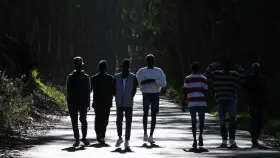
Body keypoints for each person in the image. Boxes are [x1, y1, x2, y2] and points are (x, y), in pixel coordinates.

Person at [136, 54, 167, 143]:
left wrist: (154, 81)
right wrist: (144, 82)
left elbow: (164, 84)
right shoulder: (141, 71)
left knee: (153, 115)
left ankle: (151, 135)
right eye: (149, 61)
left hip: (155, 94)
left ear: (154, 61)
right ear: (146, 61)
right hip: (146, 94)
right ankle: (145, 133)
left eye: (152, 61)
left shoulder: (159, 71)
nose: (150, 62)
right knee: (145, 113)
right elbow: (137, 82)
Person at [210, 58, 240, 148]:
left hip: (230, 99)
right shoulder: (217, 74)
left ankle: (231, 140)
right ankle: (224, 140)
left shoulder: (234, 74)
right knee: (222, 120)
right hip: (221, 100)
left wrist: (240, 70)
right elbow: (205, 76)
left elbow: (241, 81)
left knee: (233, 119)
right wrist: (211, 67)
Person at [181, 62, 208, 148]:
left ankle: (194, 140)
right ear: (199, 69)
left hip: (192, 102)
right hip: (201, 101)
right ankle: (200, 136)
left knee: (193, 121)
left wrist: (183, 103)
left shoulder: (187, 78)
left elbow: (185, 91)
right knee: (201, 121)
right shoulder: (204, 78)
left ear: (191, 69)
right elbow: (205, 90)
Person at [66, 56, 91, 147]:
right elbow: (88, 91)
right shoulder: (83, 77)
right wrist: (88, 102)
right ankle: (80, 138)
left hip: (76, 102)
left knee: (78, 121)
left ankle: (80, 138)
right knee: (80, 120)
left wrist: (88, 102)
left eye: (79, 65)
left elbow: (68, 90)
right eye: (78, 65)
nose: (78, 66)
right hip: (78, 102)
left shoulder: (74, 77)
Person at [114, 59, 138, 148]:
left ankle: (127, 139)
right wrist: (116, 96)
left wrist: (131, 96)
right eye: (124, 66)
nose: (126, 67)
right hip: (119, 102)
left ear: (129, 67)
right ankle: (120, 137)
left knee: (128, 121)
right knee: (118, 121)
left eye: (128, 66)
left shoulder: (133, 77)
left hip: (128, 102)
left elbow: (135, 88)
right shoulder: (116, 77)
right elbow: (114, 88)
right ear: (122, 66)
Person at [91, 60, 114, 144]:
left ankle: (99, 134)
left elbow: (89, 90)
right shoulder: (110, 78)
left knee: (98, 118)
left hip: (97, 102)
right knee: (105, 119)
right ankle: (102, 135)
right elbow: (113, 91)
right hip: (106, 102)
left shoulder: (94, 78)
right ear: (106, 68)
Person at [245, 63, 267, 148]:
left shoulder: (262, 79)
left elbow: (266, 90)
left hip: (259, 102)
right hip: (253, 102)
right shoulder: (251, 79)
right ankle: (254, 136)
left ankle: (255, 136)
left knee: (257, 120)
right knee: (255, 119)